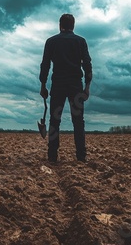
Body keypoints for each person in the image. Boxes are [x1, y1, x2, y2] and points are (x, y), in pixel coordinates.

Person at [39, 14, 93, 163]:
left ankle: (52, 157)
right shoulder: (80, 41)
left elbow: (45, 65)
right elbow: (87, 64)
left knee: (54, 120)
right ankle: (81, 157)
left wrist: (43, 85)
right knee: (78, 121)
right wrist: (87, 86)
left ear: (59, 25)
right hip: (76, 85)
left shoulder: (51, 42)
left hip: (58, 84)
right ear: (73, 26)